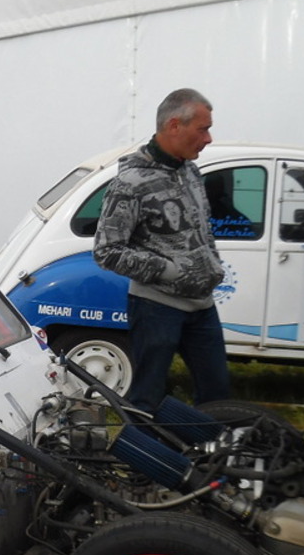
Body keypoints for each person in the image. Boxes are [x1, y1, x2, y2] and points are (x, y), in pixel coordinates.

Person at [94, 87, 229, 412]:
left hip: (202, 305)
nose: (208, 138)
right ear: (174, 126)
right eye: (203, 129)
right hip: (157, 308)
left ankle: (212, 445)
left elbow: (201, 230)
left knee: (219, 396)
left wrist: (211, 265)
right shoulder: (131, 183)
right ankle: (143, 445)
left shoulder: (190, 171)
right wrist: (170, 271)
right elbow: (107, 251)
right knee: (147, 398)